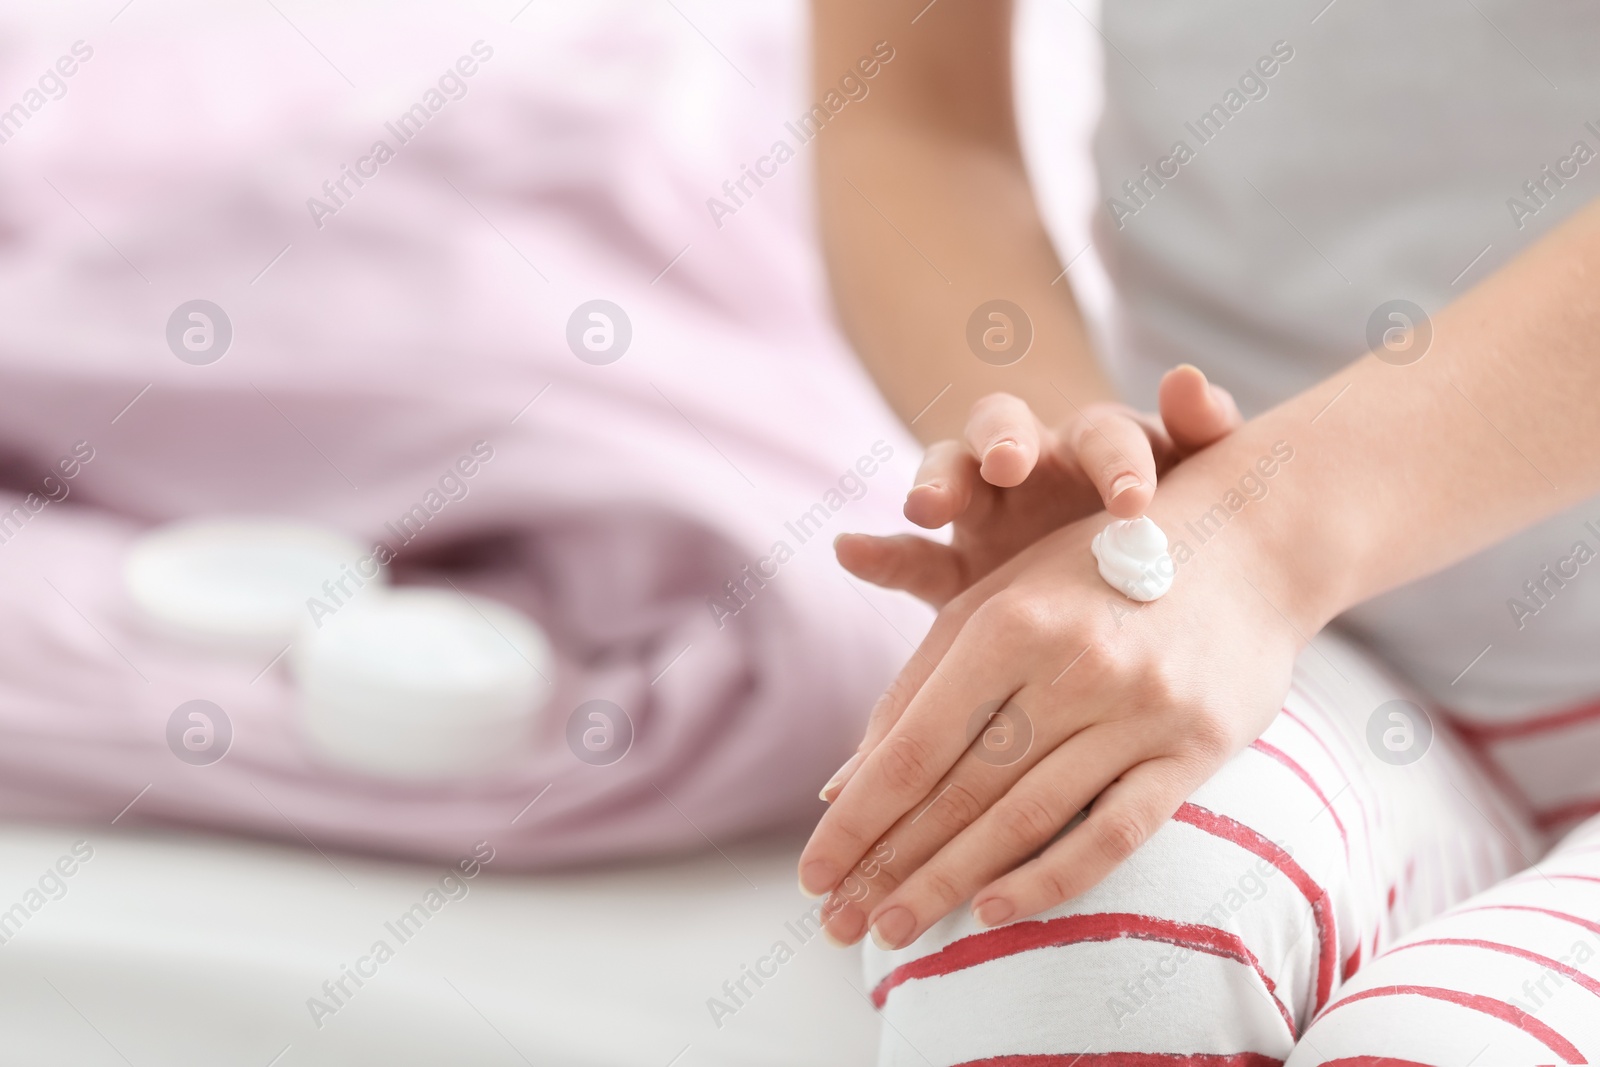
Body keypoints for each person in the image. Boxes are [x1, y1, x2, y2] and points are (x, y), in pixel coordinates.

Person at [799, 0, 1600, 1061]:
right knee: (1046, 953)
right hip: (1267, 638)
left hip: (1248, 568)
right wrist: (1067, 452)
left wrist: (1264, 535)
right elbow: (911, 111)